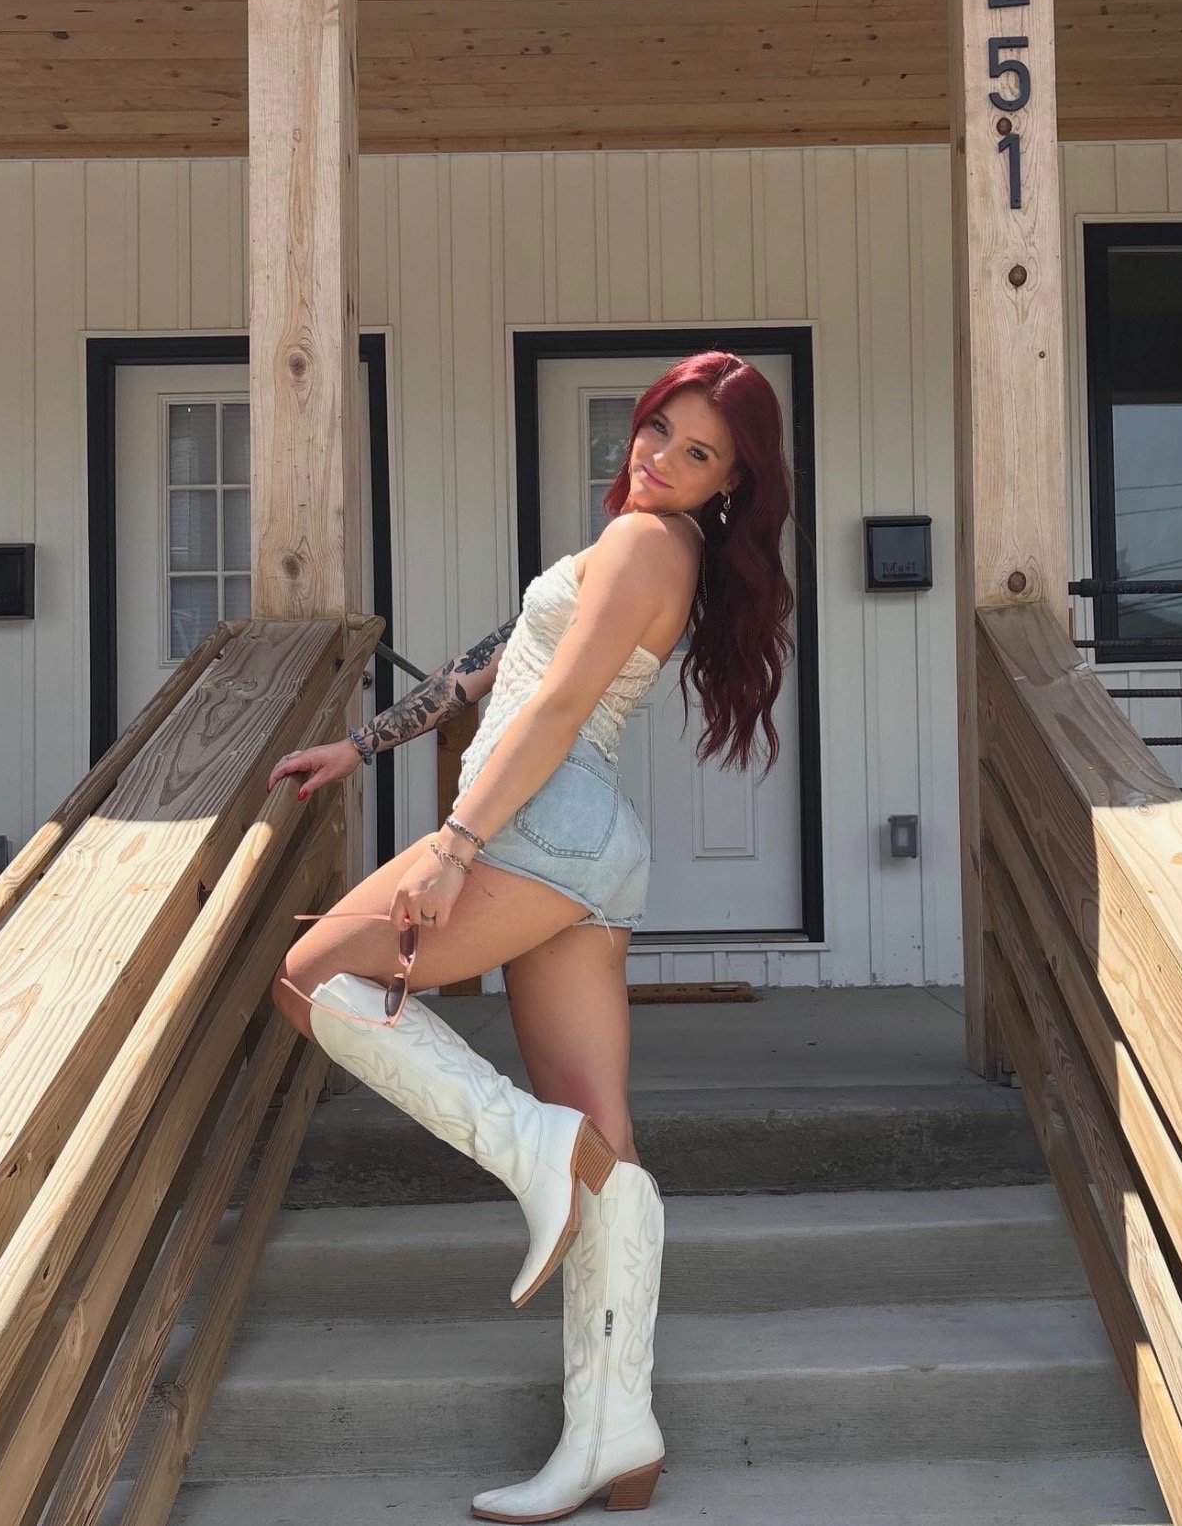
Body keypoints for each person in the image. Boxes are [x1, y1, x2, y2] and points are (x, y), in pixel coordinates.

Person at [268, 350, 796, 1521]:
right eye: (659, 429)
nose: (661, 458)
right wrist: (360, 747)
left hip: (538, 829)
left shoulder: (646, 542)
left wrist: (456, 843)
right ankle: (616, 1433)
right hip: (589, 849)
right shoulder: (648, 544)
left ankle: (531, 1150)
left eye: (699, 453)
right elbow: (495, 666)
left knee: (310, 981)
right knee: (609, 1139)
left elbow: (555, 708)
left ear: (731, 483)